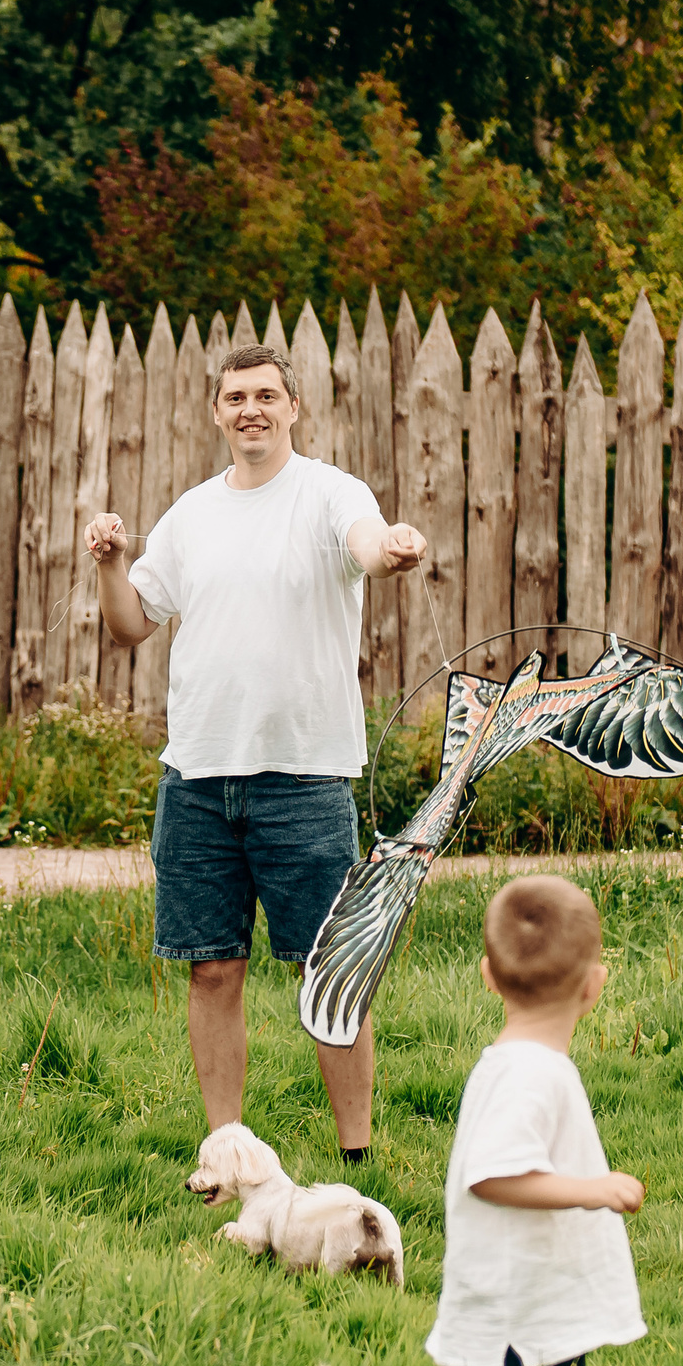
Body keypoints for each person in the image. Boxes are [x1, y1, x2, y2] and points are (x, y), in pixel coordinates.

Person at [85, 343, 426, 1161]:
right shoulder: (191, 514)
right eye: (236, 397)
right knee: (211, 970)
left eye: (267, 395)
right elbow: (130, 624)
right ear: (216, 412)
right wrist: (110, 564)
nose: (251, 410)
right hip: (198, 780)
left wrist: (393, 546)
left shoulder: (329, 492)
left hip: (304, 780)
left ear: (293, 407)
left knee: (329, 972)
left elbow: (367, 545)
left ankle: (357, 1156)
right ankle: (227, 1151)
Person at [428, 876, 646, 1366]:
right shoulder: (527, 1074)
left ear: (487, 977)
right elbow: (492, 1174)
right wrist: (592, 1190)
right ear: (594, 986)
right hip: (509, 1333)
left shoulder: (531, 1064)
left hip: (545, 1318)